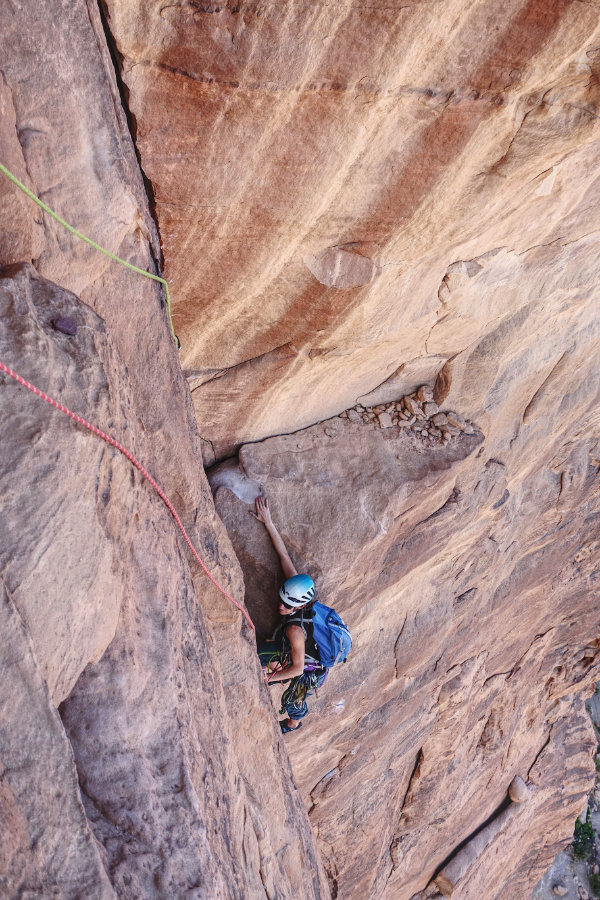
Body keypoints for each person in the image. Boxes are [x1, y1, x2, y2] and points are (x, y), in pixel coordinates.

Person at [250, 495, 327, 734]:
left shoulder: (295, 630)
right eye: (281, 601)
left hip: (310, 669)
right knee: (259, 653)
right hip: (293, 650)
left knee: (293, 699)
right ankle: (272, 663)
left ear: (298, 606)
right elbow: (284, 556)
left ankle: (294, 724)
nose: (280, 607)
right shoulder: (297, 590)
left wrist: (267, 679)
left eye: (286, 606)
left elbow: (297, 669)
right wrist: (268, 522)